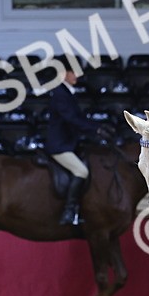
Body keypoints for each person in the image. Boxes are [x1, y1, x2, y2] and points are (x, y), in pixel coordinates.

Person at [46, 68, 103, 225]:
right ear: (64, 74)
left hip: (69, 143)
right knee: (81, 171)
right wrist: (96, 129)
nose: (76, 76)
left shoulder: (67, 92)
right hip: (60, 145)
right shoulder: (60, 93)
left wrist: (97, 127)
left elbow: (79, 118)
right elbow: (71, 119)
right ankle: (69, 211)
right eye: (73, 72)